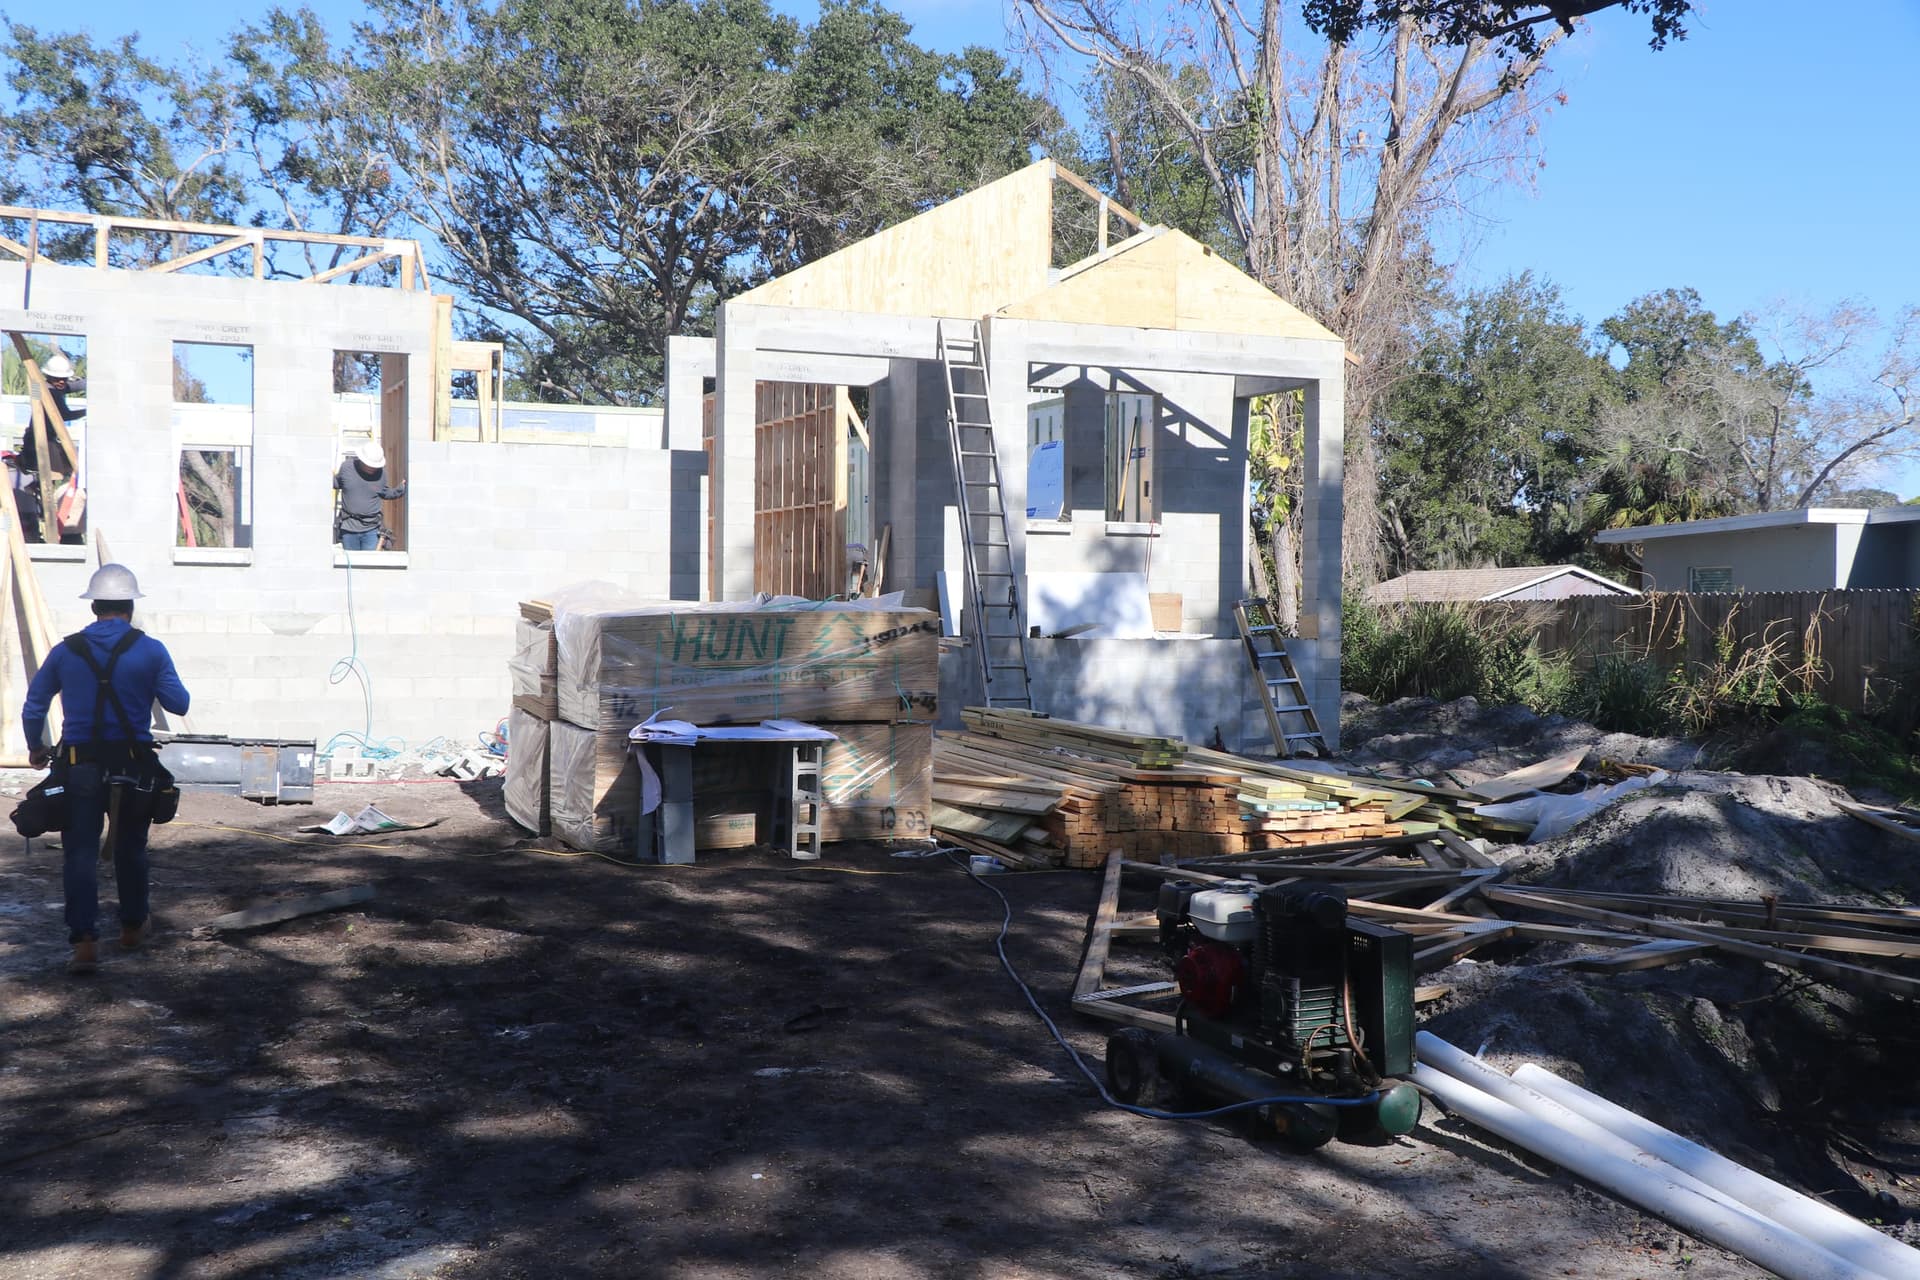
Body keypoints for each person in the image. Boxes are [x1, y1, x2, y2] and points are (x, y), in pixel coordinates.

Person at [22, 564, 191, 975]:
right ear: (129, 607)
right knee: (130, 847)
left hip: (79, 767)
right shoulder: (150, 650)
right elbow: (179, 705)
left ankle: (84, 943)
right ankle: (132, 927)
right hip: (132, 766)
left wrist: (37, 748)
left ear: (94, 606)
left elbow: (34, 705)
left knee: (79, 854)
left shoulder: (66, 651)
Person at [17, 352, 83, 542]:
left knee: (63, 467)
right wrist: (89, 411)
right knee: (58, 469)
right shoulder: (47, 391)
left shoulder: (53, 388)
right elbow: (65, 415)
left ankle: (40, 489)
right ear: (50, 378)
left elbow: (71, 387)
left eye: (64, 380)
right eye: (58, 380)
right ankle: (42, 495)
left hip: (42, 442)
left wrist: (89, 383)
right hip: (39, 444)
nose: (62, 383)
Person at [333, 440, 406, 551]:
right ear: (362, 460)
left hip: (371, 529)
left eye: (375, 466)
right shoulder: (347, 468)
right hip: (349, 528)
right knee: (351, 564)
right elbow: (337, 483)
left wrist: (400, 490)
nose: (373, 468)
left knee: (369, 565)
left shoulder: (382, 474)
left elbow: (385, 493)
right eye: (370, 465)